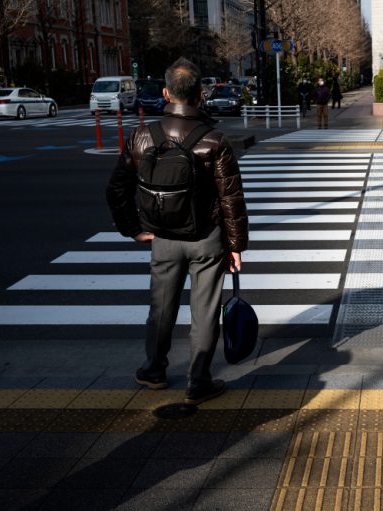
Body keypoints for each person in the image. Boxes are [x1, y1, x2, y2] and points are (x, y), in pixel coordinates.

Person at [106, 57, 249, 405]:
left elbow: (116, 189)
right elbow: (231, 197)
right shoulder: (214, 139)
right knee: (205, 313)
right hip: (206, 238)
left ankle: (154, 370)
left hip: (163, 237)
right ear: (200, 94)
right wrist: (235, 245)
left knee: (161, 307)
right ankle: (198, 381)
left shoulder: (143, 135)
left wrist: (133, 229)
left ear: (167, 93)